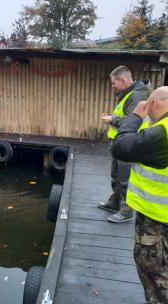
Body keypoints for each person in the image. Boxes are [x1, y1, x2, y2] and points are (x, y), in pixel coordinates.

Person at [111, 86, 168, 303]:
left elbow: (121, 147)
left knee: (154, 272)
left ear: (152, 104)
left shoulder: (162, 132)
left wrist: (135, 115)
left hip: (158, 220)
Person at [98, 66, 152, 223]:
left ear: (124, 80)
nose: (113, 86)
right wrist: (112, 117)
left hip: (129, 144)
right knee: (115, 175)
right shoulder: (127, 94)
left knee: (125, 179)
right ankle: (114, 202)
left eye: (114, 83)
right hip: (120, 143)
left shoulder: (136, 95)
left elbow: (131, 122)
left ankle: (127, 211)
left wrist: (111, 120)